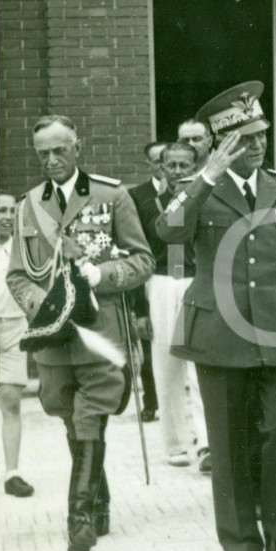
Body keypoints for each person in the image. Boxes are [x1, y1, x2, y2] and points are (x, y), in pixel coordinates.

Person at [156, 81, 276, 551]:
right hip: (218, 333)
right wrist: (204, 179)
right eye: (247, 138)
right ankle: (241, 544)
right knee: (230, 441)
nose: (258, 145)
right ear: (222, 144)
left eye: (261, 135)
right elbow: (168, 231)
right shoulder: (196, 191)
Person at [7, 115, 155, 551]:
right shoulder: (27, 206)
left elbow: (142, 260)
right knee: (70, 417)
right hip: (54, 336)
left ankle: (80, 517)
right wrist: (42, 302)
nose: (51, 160)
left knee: (91, 416)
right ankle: (100, 498)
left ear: (77, 147)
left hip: (99, 331)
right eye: (42, 154)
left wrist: (103, 273)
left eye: (59, 150)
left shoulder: (112, 195)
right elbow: (18, 276)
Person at [129, 142, 210, 471]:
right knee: (165, 363)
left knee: (202, 364)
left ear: (195, 166)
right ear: (160, 167)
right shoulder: (142, 200)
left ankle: (206, 444)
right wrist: (139, 309)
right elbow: (135, 250)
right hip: (161, 281)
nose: (178, 171)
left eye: (185, 165)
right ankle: (175, 443)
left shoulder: (206, 197)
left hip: (195, 278)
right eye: (171, 165)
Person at [0, 193, 35, 498]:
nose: (8, 216)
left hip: (14, 328)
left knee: (10, 400)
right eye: (1, 210)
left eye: (12, 211)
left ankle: (12, 472)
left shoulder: (23, 250)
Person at [127, 142, 166, 423]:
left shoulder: (190, 189)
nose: (164, 165)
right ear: (149, 164)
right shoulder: (137, 196)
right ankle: (151, 401)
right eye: (157, 160)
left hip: (182, 274)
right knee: (149, 340)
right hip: (150, 276)